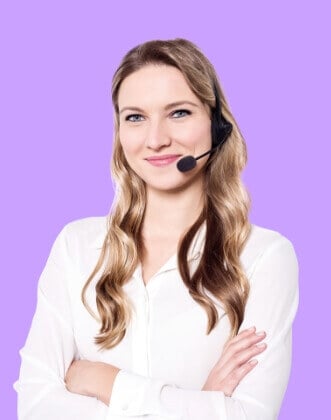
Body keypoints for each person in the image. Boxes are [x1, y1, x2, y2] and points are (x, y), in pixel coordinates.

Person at [14, 38, 299, 420]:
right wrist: (201, 402)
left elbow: (249, 416)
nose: (156, 139)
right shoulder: (76, 247)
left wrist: (105, 381)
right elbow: (34, 408)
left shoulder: (263, 257)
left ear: (216, 126)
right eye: (135, 117)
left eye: (178, 113)